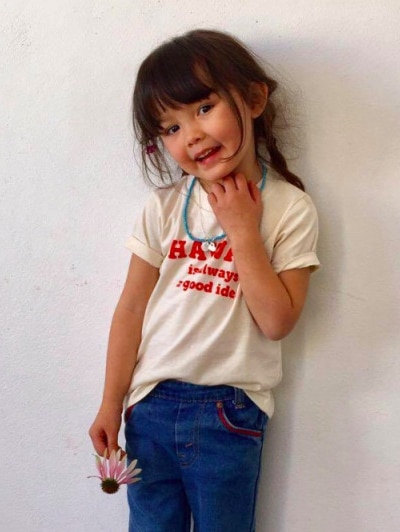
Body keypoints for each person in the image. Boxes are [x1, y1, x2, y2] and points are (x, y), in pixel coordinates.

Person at [89, 29, 320, 532]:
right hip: (148, 410)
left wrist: (242, 230)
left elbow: (278, 321)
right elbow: (130, 309)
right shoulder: (165, 207)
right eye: (169, 127)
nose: (189, 134)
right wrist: (111, 401)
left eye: (202, 108)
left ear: (255, 98)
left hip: (229, 414)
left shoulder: (288, 209)